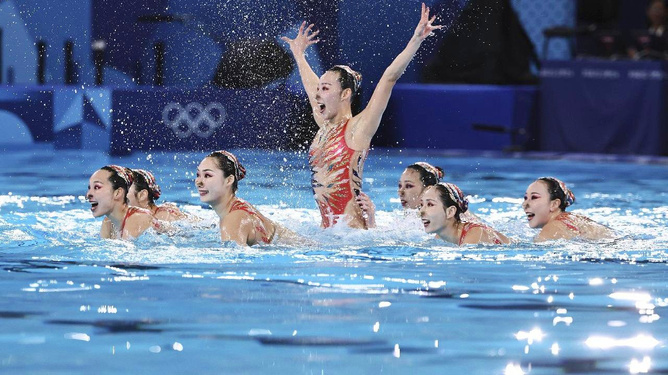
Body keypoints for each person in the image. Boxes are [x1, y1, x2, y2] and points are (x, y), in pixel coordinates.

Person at [282, 3, 442, 229]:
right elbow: (312, 89)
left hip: (352, 234)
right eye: (320, 89)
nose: (318, 94)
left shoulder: (359, 128)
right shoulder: (324, 126)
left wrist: (416, 39)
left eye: (326, 89)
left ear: (345, 94)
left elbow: (389, 78)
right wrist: (299, 55)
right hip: (329, 232)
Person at [195, 150, 298, 246]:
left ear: (229, 180)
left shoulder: (232, 220)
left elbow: (232, 261)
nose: (198, 182)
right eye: (198, 174)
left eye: (207, 175)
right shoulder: (238, 208)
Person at [523, 177, 613, 242]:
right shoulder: (570, 220)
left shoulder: (554, 227)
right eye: (525, 198)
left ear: (554, 204)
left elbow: (533, 251)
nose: (524, 204)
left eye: (534, 197)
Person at [419, 182, 510, 245]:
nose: (421, 212)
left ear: (450, 212)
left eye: (430, 204)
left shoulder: (475, 234)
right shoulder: (440, 236)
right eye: (421, 205)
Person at [86, 165, 154, 240]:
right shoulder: (108, 222)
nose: (88, 194)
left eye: (97, 187)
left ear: (117, 193)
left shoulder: (138, 217)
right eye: (89, 188)